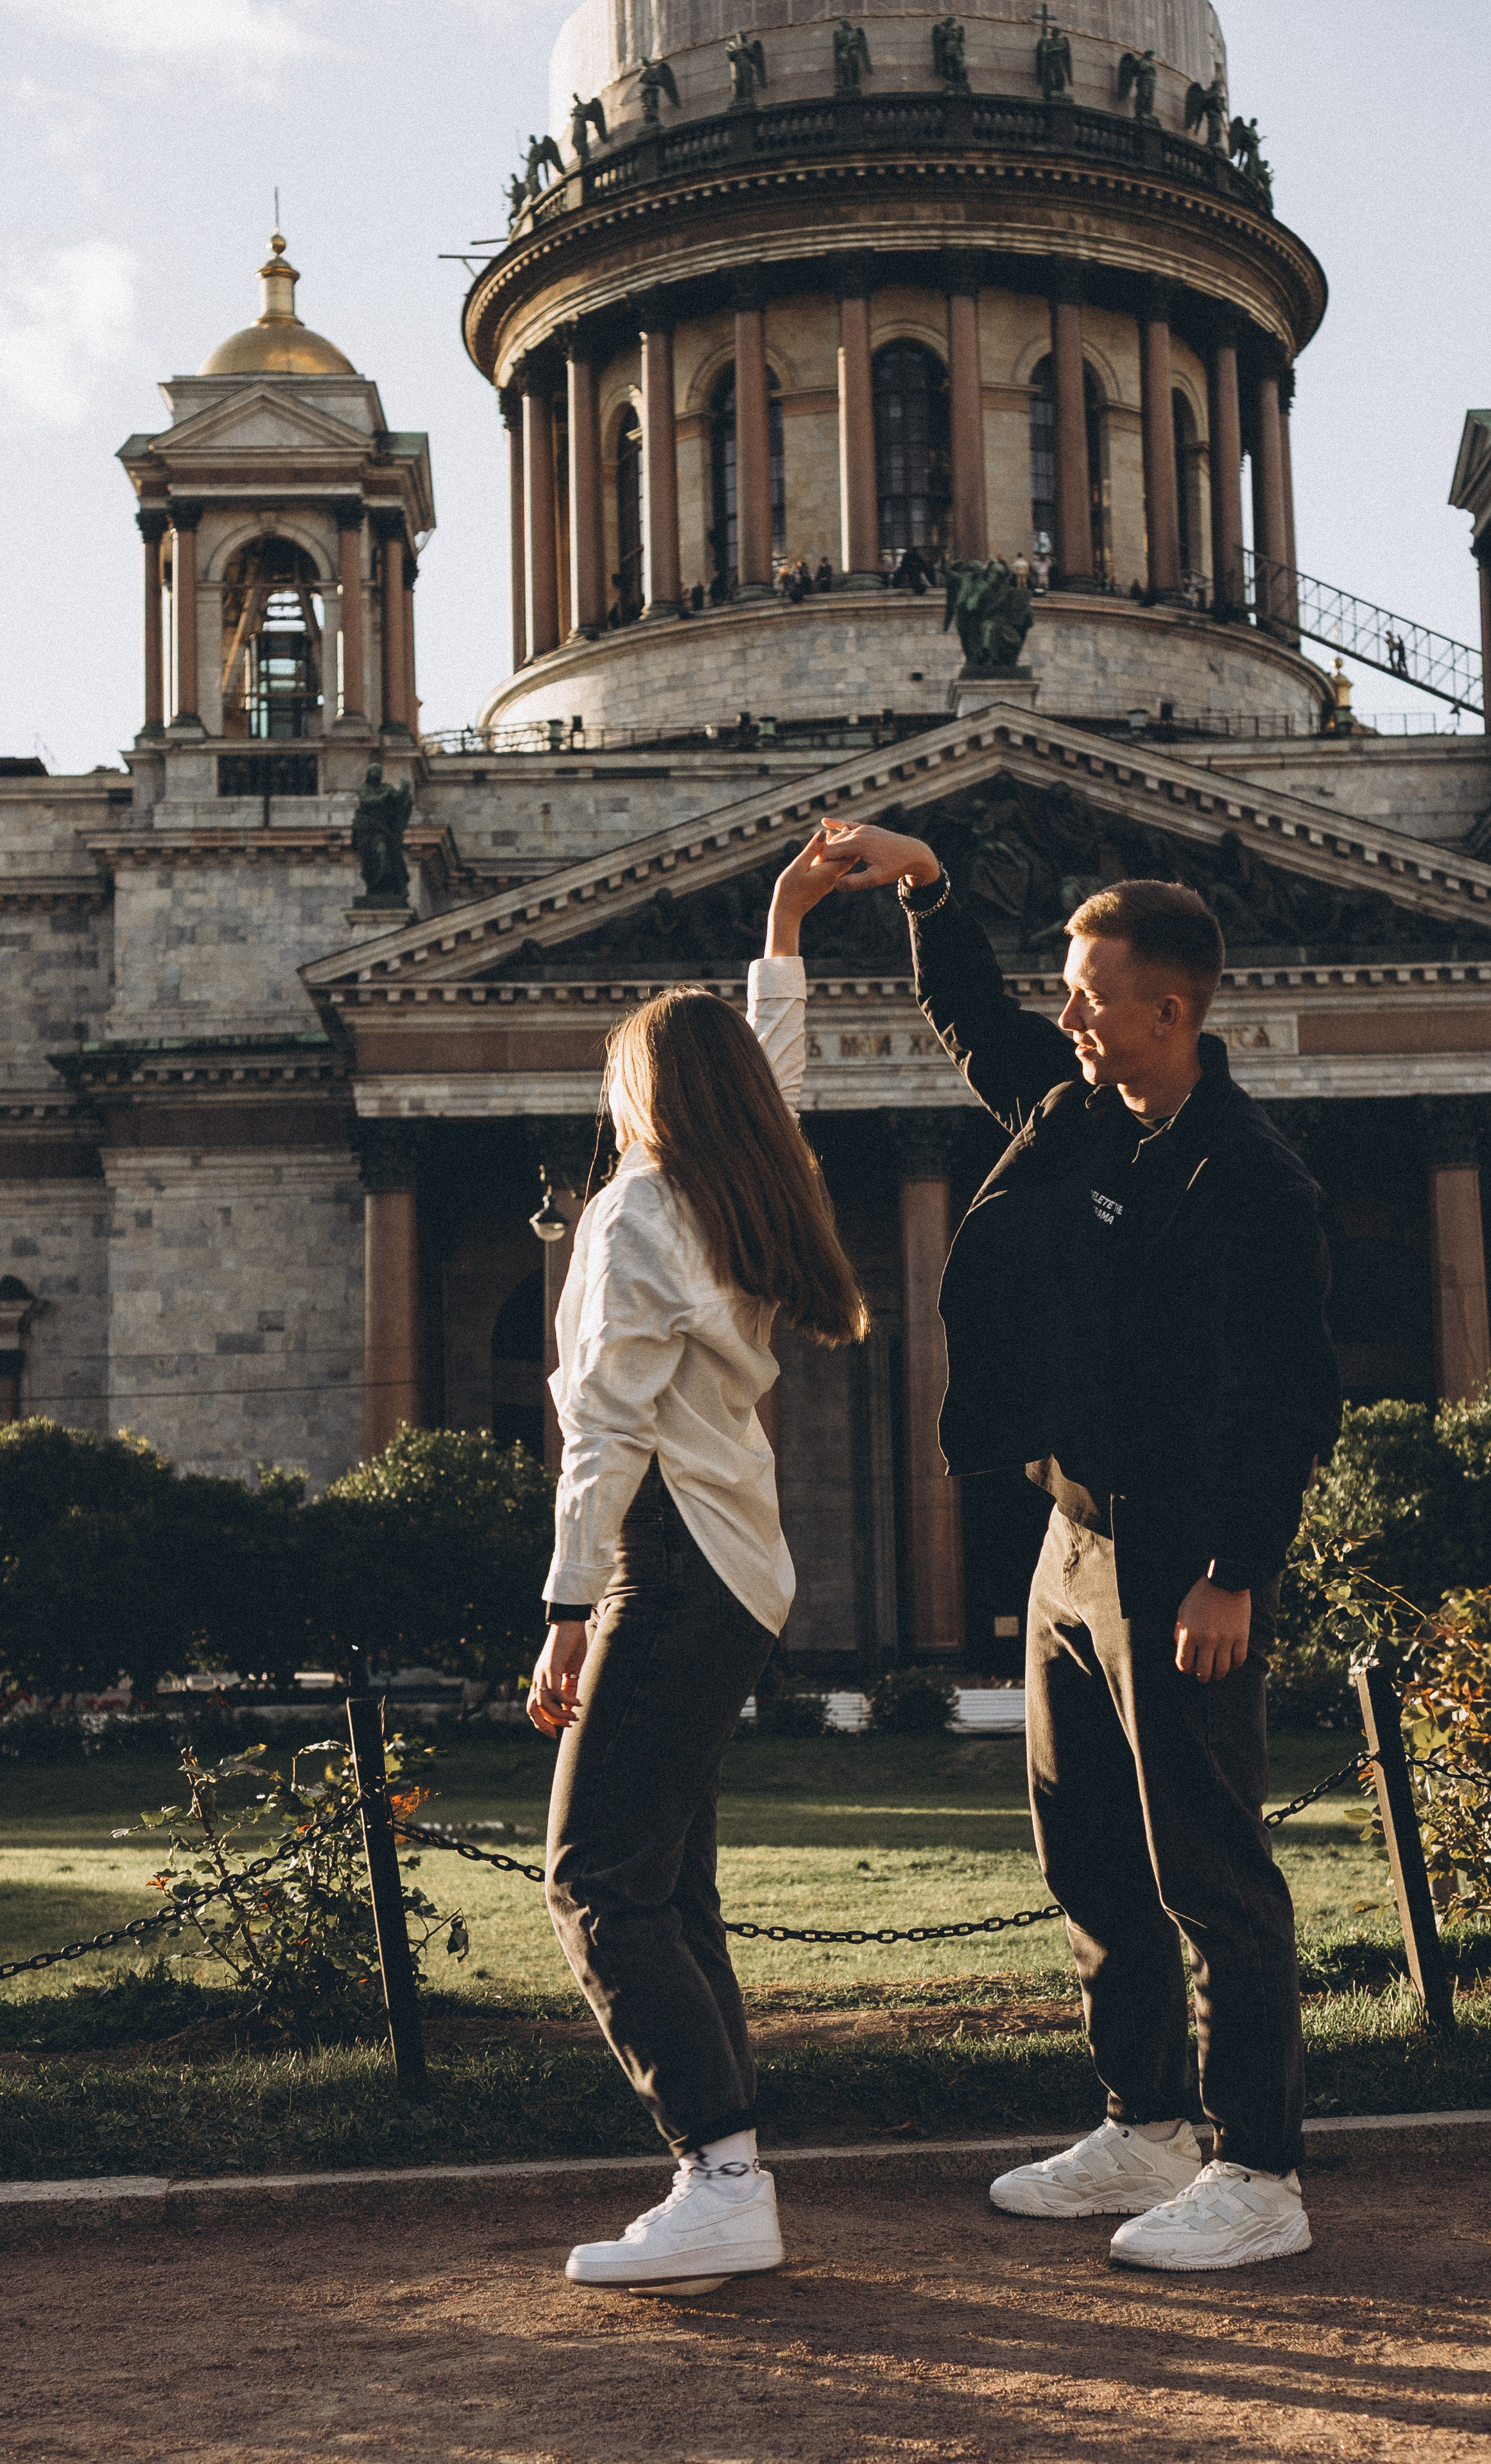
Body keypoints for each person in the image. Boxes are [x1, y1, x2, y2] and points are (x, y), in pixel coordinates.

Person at [820, 824, 1340, 2272]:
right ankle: (1146, 2125)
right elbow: (974, 1022)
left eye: (1091, 995)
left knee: (1211, 1873)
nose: (1066, 1016)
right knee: (1091, 1856)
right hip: (1073, 1538)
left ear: (1169, 1010)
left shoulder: (1252, 1179)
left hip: (1181, 1564)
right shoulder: (1079, 1110)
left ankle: (1259, 2171)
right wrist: (928, 889)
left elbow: (1291, 1398)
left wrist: (1235, 1571)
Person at [527, 832, 868, 2293]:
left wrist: (564, 1608)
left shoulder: (635, 1213)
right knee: (669, 1884)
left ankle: (719, 2177)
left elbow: (602, 1429)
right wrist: (781, 931)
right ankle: (727, 2176)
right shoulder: (740, 1189)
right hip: (739, 1568)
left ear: (645, 1093)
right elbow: (769, 1077)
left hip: (663, 1565)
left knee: (594, 1879)